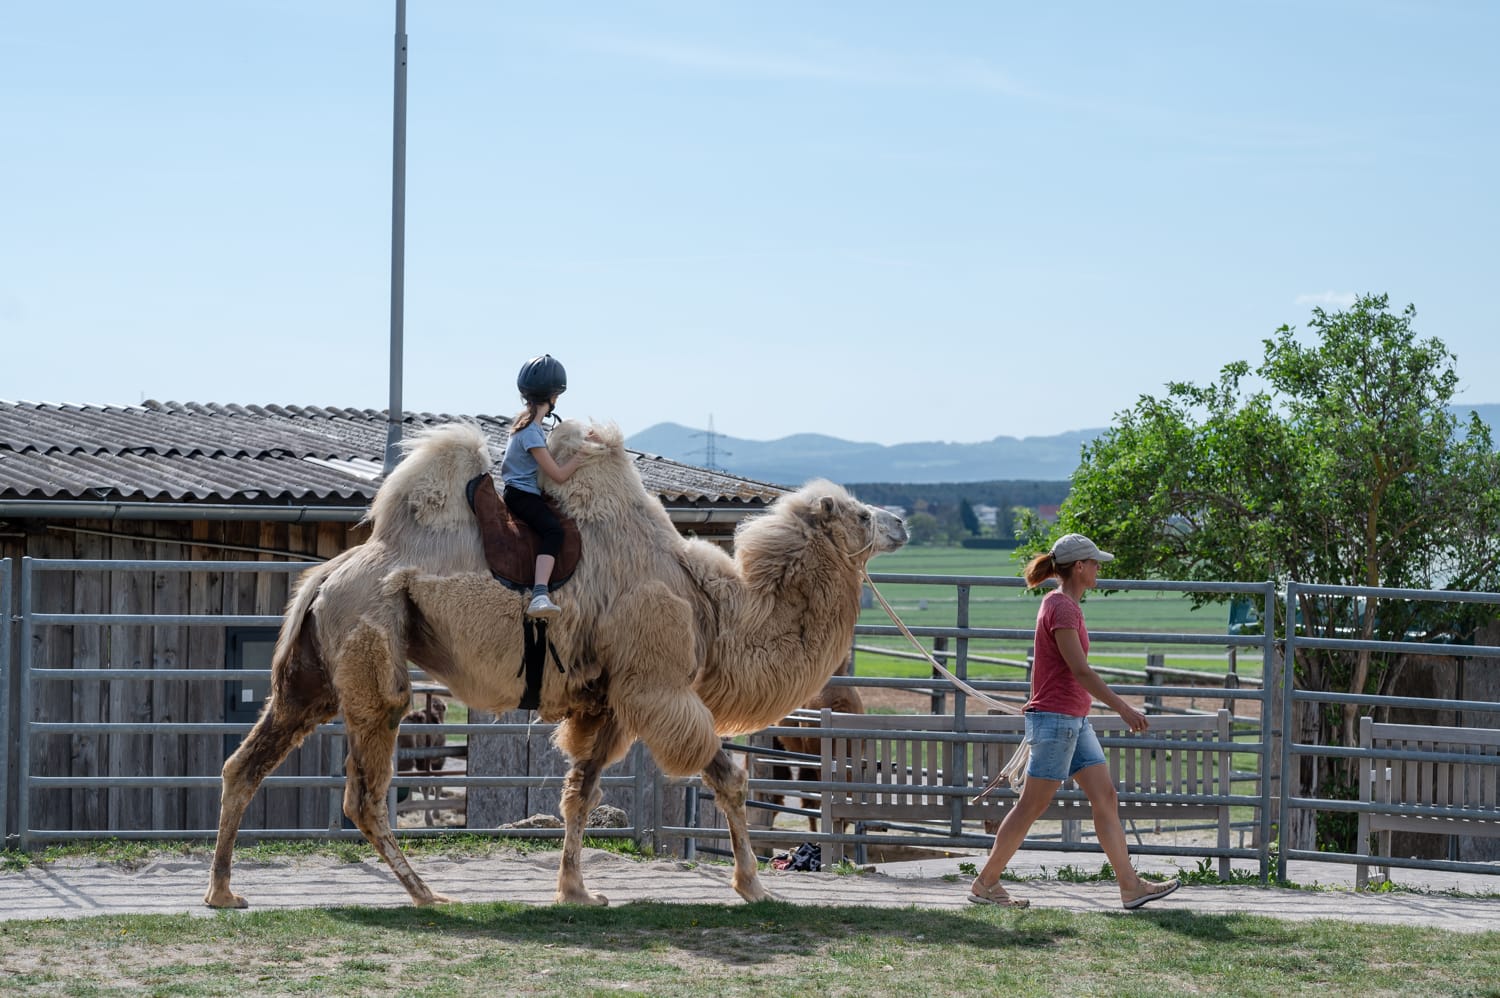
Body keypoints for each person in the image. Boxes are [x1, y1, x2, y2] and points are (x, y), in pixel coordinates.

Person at [968, 532, 1181, 910]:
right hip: (1059, 720)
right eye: (1095, 562)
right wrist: (1123, 708)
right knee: (1030, 807)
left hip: (1074, 720)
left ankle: (1130, 886)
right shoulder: (1063, 608)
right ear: (1079, 567)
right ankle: (985, 883)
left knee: (1105, 798)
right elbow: (1080, 671)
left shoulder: (1061, 605)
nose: (1099, 568)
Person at [500, 354, 584, 620]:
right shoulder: (533, 433)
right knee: (554, 532)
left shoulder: (523, 426)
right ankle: (539, 594)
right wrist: (582, 454)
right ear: (554, 397)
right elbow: (558, 475)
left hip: (518, 492)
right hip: (522, 494)